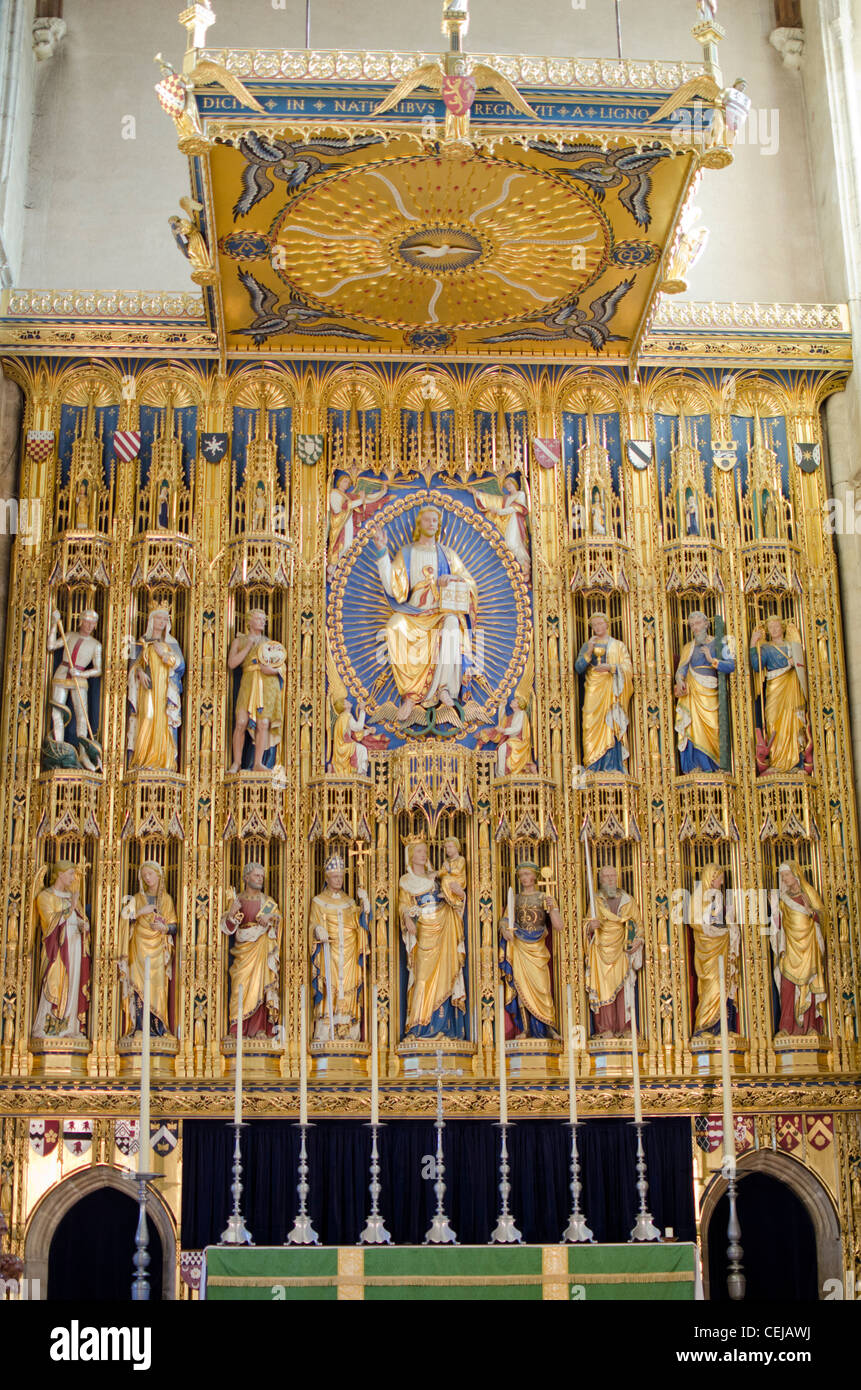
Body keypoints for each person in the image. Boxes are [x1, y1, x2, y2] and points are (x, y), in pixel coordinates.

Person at [373, 506, 477, 722]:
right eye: (428, 520)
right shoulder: (407, 553)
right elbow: (394, 589)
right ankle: (410, 695)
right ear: (419, 523)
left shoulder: (447, 555)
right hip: (413, 613)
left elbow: (469, 582)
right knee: (393, 625)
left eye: (435, 521)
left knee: (451, 624)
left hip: (439, 613)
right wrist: (382, 553)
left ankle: (444, 688)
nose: (432, 524)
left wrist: (452, 579)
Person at [399, 839, 467, 1039]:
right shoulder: (406, 881)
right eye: (419, 851)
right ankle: (417, 1026)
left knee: (445, 974)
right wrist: (406, 918)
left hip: (443, 927)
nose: (423, 854)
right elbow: (403, 905)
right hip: (422, 931)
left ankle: (442, 1028)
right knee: (421, 978)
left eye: (425, 851)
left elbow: (454, 897)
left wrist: (459, 894)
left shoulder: (435, 878)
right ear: (411, 855)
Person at [309, 854, 370, 1042]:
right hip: (330, 950)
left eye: (341, 876)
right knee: (329, 985)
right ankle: (326, 1029)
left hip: (349, 952)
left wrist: (365, 906)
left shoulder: (350, 902)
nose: (339, 880)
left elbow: (360, 924)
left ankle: (348, 1028)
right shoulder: (318, 901)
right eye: (335, 877)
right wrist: (318, 929)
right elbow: (313, 924)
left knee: (349, 986)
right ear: (327, 878)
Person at [500, 861, 563, 1038]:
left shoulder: (544, 897)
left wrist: (553, 908)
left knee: (542, 987)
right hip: (520, 946)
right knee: (521, 988)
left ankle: (548, 1025)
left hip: (537, 948)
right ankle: (526, 1028)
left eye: (527, 874)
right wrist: (505, 929)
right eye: (521, 876)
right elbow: (505, 920)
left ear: (535, 876)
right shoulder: (516, 899)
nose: (524, 878)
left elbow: (558, 926)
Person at [220, 863, 281, 1038]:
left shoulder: (267, 902)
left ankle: (260, 1029)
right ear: (246, 878)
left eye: (262, 876)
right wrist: (231, 914)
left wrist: (271, 918)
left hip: (261, 948)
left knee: (261, 986)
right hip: (243, 951)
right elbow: (227, 928)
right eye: (256, 876)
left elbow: (280, 923)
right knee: (240, 986)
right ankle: (236, 1028)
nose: (260, 879)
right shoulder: (236, 900)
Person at [31, 863, 90, 1039]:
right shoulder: (45, 896)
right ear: (60, 875)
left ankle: (70, 1027)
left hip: (75, 945)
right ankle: (48, 1027)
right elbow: (49, 924)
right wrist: (70, 908)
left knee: (73, 984)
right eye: (71, 874)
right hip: (57, 950)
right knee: (55, 982)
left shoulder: (73, 898)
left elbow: (81, 919)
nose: (73, 879)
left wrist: (83, 925)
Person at [119, 862, 178, 1037]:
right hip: (139, 947)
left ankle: (158, 1026)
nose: (147, 878)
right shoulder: (138, 898)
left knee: (158, 986)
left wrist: (164, 928)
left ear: (159, 875)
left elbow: (173, 925)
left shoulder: (166, 899)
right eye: (144, 875)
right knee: (138, 985)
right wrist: (139, 912)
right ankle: (139, 1027)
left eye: (150, 874)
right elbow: (123, 918)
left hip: (158, 949)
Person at [770, 860, 827, 1036]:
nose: (784, 879)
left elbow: (822, 917)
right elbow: (779, 924)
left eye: (786, 875)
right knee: (787, 986)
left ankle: (811, 1027)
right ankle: (787, 1028)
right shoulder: (783, 899)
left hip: (808, 947)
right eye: (782, 876)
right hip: (790, 948)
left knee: (808, 984)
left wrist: (812, 913)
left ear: (795, 874)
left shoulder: (808, 893)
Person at [585, 865, 643, 1037]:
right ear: (600, 880)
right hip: (601, 950)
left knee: (625, 988)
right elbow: (587, 923)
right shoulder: (596, 901)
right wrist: (590, 926)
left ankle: (625, 1027)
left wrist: (638, 940)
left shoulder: (628, 900)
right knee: (603, 987)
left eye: (612, 876)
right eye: (606, 877)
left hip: (623, 948)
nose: (610, 879)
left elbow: (639, 925)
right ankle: (605, 1028)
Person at [674, 610, 735, 772]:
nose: (695, 628)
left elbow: (731, 665)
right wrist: (680, 679)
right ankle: (697, 767)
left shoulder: (719, 643)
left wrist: (712, 660)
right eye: (692, 625)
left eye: (698, 623)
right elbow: (682, 669)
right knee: (693, 728)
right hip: (693, 694)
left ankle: (716, 766)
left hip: (710, 692)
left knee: (714, 727)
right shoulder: (688, 647)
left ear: (707, 624)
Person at [749, 616, 811, 774]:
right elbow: (756, 665)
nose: (774, 629)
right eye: (771, 627)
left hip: (791, 687)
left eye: (776, 626)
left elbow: (802, 667)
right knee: (773, 721)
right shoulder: (766, 648)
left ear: (782, 627)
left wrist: (795, 661)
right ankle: (777, 760)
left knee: (793, 721)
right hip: (775, 687)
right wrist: (752, 644)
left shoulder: (792, 646)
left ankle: (796, 762)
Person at [227, 609, 286, 773]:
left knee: (263, 724)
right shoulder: (240, 641)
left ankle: (258, 763)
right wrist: (249, 647)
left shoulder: (270, 644)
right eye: (259, 618)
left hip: (267, 685)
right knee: (241, 722)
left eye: (264, 619)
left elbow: (282, 665)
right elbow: (232, 664)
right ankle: (237, 762)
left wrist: (272, 670)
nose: (262, 622)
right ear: (249, 621)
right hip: (248, 681)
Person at [574, 611, 633, 772]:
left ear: (607, 624)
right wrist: (588, 652)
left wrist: (612, 668)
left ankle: (612, 766)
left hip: (611, 690)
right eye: (594, 625)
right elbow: (578, 668)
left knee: (611, 723)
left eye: (600, 624)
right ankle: (592, 765)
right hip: (593, 688)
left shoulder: (618, 646)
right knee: (590, 723)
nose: (598, 627)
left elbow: (628, 668)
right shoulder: (588, 645)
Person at [127, 608, 185, 771]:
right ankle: (142, 759)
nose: (162, 622)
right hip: (147, 688)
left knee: (163, 720)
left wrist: (166, 656)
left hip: (164, 689)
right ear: (151, 620)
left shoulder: (171, 642)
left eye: (165, 619)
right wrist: (138, 672)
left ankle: (162, 761)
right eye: (159, 619)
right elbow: (132, 665)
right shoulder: (140, 641)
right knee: (147, 716)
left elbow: (181, 666)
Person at [46, 608, 102, 770]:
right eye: (87, 621)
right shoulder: (70, 635)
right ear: (81, 621)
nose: (90, 626)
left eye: (93, 623)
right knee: (57, 714)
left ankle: (83, 754)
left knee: (81, 716)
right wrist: (54, 624)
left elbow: (98, 669)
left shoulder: (95, 645)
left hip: (79, 678)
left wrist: (82, 673)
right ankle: (59, 750)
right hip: (62, 675)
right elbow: (51, 646)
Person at [691, 863, 739, 1034]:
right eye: (719, 878)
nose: (721, 882)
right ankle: (706, 1026)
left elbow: (727, 920)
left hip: (723, 948)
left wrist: (729, 926)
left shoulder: (720, 897)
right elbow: (695, 921)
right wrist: (713, 929)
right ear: (711, 879)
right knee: (713, 983)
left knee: (726, 984)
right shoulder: (699, 897)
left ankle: (724, 1028)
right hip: (708, 950)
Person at [469, 474, 531, 581]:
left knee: (513, 543)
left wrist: (498, 511)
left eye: (509, 484)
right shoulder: (506, 498)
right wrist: (476, 493)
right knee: (509, 544)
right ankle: (521, 566)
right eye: (506, 485)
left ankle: (525, 565)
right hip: (507, 522)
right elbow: (492, 499)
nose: (508, 487)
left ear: (514, 484)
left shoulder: (520, 494)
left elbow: (513, 509)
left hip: (515, 520)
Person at [327, 472, 388, 575]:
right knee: (342, 545)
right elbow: (339, 509)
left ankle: (333, 568)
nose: (346, 484)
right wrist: (360, 499)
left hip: (348, 521)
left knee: (347, 544)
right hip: (340, 523)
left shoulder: (348, 496)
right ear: (339, 482)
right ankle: (331, 566)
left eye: (348, 482)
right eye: (344, 481)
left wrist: (383, 492)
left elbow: (368, 499)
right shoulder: (334, 493)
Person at [477, 695, 534, 775]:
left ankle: (501, 773)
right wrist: (502, 706)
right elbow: (503, 721)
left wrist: (504, 730)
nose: (512, 701)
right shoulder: (512, 716)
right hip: (512, 741)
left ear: (519, 704)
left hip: (519, 742)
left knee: (503, 748)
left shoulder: (521, 713)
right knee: (502, 748)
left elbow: (517, 728)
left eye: (514, 701)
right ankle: (500, 774)